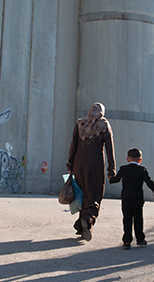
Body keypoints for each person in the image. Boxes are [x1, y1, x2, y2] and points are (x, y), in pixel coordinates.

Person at [66, 102, 116, 241]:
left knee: (81, 194)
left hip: (78, 165)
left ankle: (82, 226)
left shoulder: (80, 124)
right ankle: (87, 220)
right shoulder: (104, 125)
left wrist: (70, 163)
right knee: (94, 194)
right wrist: (111, 168)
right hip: (95, 166)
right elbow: (109, 149)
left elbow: (73, 145)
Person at [108, 148, 154, 249]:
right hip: (137, 198)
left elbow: (115, 180)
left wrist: (110, 178)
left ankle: (127, 241)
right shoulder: (142, 170)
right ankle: (140, 239)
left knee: (127, 218)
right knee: (138, 219)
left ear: (128, 159)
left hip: (126, 198)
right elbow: (149, 182)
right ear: (140, 160)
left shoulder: (123, 169)